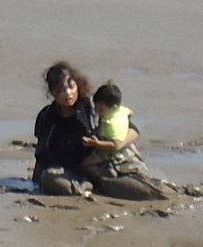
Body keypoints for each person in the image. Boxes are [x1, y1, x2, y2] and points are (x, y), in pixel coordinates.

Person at [33, 61, 139, 196]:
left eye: (71, 86)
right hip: (65, 172)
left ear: (77, 85)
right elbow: (40, 155)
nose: (68, 93)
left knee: (149, 190)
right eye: (60, 90)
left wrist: (116, 145)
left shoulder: (93, 108)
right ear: (52, 93)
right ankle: (86, 189)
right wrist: (35, 183)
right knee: (50, 178)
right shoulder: (47, 116)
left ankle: (98, 186)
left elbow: (133, 130)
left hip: (101, 166)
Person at [81, 81, 146, 179]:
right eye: (96, 108)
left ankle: (105, 173)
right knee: (129, 142)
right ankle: (135, 156)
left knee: (85, 164)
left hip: (109, 151)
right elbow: (130, 112)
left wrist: (96, 143)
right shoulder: (122, 110)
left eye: (101, 110)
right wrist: (124, 123)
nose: (98, 112)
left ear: (113, 107)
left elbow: (115, 145)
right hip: (125, 145)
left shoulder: (111, 123)